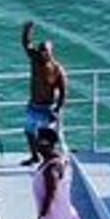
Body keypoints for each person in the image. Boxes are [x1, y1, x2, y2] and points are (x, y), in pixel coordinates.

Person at [20, 20, 68, 157]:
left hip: (49, 107)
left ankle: (51, 159)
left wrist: (57, 110)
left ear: (51, 52)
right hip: (34, 104)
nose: (42, 53)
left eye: (45, 51)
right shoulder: (35, 60)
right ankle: (34, 156)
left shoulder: (58, 70)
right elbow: (26, 44)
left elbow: (64, 93)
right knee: (29, 132)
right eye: (40, 50)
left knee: (47, 138)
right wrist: (27, 31)